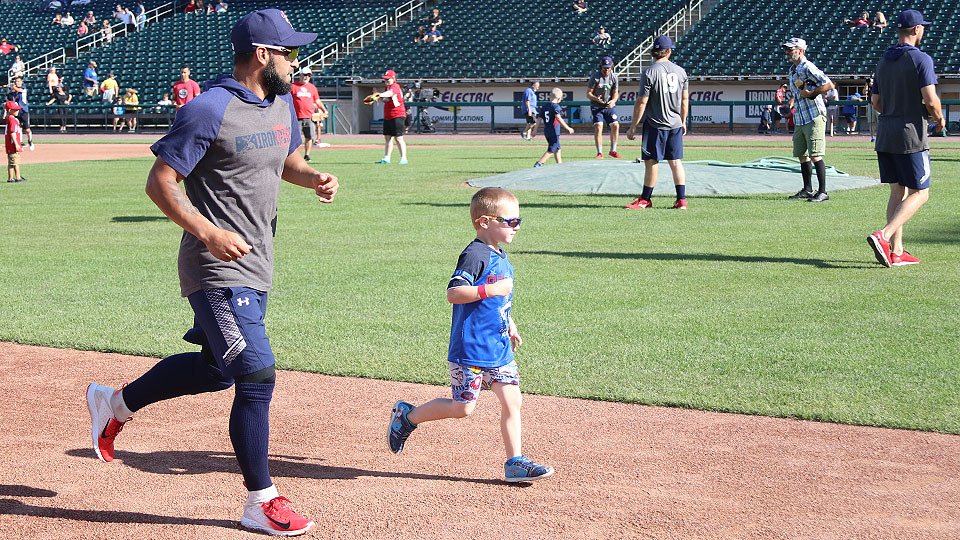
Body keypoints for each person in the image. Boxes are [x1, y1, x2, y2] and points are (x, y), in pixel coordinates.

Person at [85, 8, 337, 537]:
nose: (296, 62)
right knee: (256, 373)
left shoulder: (280, 102)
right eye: (288, 52)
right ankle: (260, 501)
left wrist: (313, 176)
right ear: (263, 55)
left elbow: (285, 161)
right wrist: (209, 233)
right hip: (214, 266)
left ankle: (116, 402)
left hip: (259, 263)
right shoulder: (208, 109)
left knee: (218, 369)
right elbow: (160, 183)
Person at [387, 186, 555, 484]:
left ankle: (514, 462)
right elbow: (454, 292)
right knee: (463, 408)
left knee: (512, 401)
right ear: (485, 222)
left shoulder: (500, 255)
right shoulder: (475, 255)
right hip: (471, 349)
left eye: (519, 221)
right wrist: (489, 289)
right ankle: (407, 417)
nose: (516, 227)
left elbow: (498, 302)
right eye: (510, 221)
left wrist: (510, 322)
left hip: (499, 348)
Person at [866, 10, 944, 268]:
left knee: (897, 191)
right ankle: (884, 236)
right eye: (922, 27)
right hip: (911, 135)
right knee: (921, 193)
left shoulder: (883, 61)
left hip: (885, 133)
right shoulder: (921, 59)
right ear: (916, 30)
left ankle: (896, 252)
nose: (923, 30)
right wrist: (939, 118)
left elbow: (876, 102)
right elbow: (931, 100)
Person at [624, 35, 689, 210]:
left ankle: (645, 199)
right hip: (675, 123)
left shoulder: (649, 72)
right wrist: (683, 121)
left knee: (651, 161)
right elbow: (684, 100)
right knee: (675, 161)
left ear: (654, 51)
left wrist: (633, 126)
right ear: (668, 51)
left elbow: (642, 101)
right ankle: (681, 200)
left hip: (655, 124)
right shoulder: (681, 71)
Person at [783, 37, 834, 202]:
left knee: (815, 154)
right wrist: (790, 103)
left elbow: (828, 84)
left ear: (801, 50)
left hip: (814, 114)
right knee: (802, 154)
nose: (788, 52)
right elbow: (798, 91)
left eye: (791, 49)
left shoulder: (807, 66)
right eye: (787, 49)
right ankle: (807, 189)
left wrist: (812, 94)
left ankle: (823, 192)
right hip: (800, 116)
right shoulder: (792, 69)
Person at [371, 69, 408, 164]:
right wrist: (378, 98)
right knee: (387, 137)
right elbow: (387, 99)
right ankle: (386, 158)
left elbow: (391, 93)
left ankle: (403, 158)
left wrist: (379, 95)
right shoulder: (387, 88)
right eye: (385, 79)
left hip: (398, 114)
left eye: (388, 79)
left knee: (399, 138)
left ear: (393, 78)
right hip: (388, 115)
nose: (386, 81)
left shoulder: (394, 86)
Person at [586, 56, 620, 159]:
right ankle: (599, 152)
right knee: (598, 126)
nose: (606, 70)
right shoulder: (595, 77)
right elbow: (588, 94)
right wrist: (596, 99)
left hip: (608, 105)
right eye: (604, 68)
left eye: (608, 67)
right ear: (601, 67)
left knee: (615, 125)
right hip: (597, 105)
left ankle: (613, 150)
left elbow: (615, 92)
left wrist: (613, 101)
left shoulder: (614, 77)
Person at [534, 88, 574, 167]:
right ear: (559, 98)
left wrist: (535, 130)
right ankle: (539, 163)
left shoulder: (545, 106)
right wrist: (567, 128)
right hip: (554, 131)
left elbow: (539, 119)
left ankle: (560, 166)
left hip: (547, 131)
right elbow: (558, 118)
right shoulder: (556, 107)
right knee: (552, 149)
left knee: (557, 148)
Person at [290, 67, 324, 161]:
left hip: (309, 117)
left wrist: (323, 109)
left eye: (308, 75)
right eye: (305, 75)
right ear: (300, 75)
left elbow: (317, 100)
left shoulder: (312, 87)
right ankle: (292, 157)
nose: (306, 77)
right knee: (293, 138)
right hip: (295, 117)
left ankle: (307, 155)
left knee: (310, 137)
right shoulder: (293, 86)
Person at [6, 76, 35, 150]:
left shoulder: (23, 89)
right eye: (16, 82)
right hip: (16, 111)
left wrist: (12, 86)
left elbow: (19, 90)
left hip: (24, 111)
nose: (17, 83)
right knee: (18, 128)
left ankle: (30, 141)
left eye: (19, 81)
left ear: (21, 82)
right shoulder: (13, 93)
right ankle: (20, 142)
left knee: (27, 129)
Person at [5, 101, 25, 183]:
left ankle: (10, 178)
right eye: (15, 110)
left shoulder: (10, 119)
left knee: (11, 162)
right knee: (15, 162)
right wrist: (17, 144)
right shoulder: (12, 120)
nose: (17, 111)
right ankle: (18, 177)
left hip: (10, 144)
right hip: (13, 144)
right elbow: (12, 132)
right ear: (10, 110)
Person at [864, 76, 877, 142]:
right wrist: (866, 84)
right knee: (871, 121)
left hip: (877, 104)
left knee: (879, 121)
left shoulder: (877, 86)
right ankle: (872, 137)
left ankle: (879, 136)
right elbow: (864, 92)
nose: (871, 82)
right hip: (870, 104)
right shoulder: (868, 87)